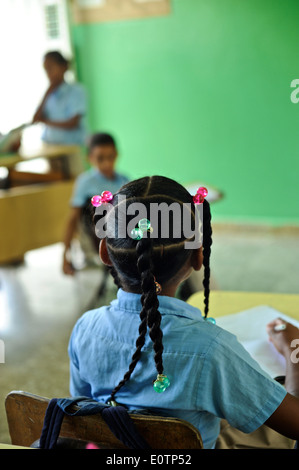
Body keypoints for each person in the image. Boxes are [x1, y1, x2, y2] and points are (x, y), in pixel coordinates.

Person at [68, 175, 299, 449]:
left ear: (105, 252)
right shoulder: (212, 350)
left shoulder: (85, 328)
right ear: (198, 256)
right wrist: (292, 350)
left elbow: (83, 411)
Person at [63, 132, 129, 276]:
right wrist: (65, 255)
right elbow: (73, 218)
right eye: (100, 158)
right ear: (90, 158)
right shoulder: (85, 183)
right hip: (107, 240)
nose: (106, 163)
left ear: (116, 154)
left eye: (110, 157)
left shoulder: (124, 180)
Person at [33, 51, 87, 146]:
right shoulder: (49, 94)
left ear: (63, 67)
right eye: (46, 70)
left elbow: (73, 123)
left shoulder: (76, 91)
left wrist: (45, 121)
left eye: (50, 68)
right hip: (49, 145)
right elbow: (36, 119)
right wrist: (47, 92)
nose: (48, 73)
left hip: (71, 146)